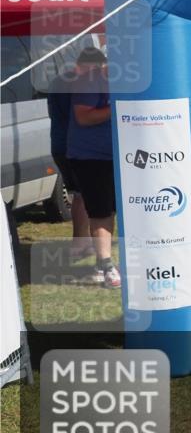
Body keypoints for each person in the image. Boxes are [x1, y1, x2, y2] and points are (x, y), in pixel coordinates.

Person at [66, 47, 121, 288]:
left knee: (111, 209)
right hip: (91, 157)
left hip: (117, 156)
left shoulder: (120, 81)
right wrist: (117, 107)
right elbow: (83, 117)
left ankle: (102, 263)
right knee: (101, 210)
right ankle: (106, 265)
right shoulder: (89, 81)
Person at [48, 50, 98, 281]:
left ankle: (82, 243)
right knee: (83, 195)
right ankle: (80, 244)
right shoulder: (79, 84)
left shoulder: (58, 81)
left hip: (59, 145)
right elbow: (82, 117)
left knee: (79, 193)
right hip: (75, 146)